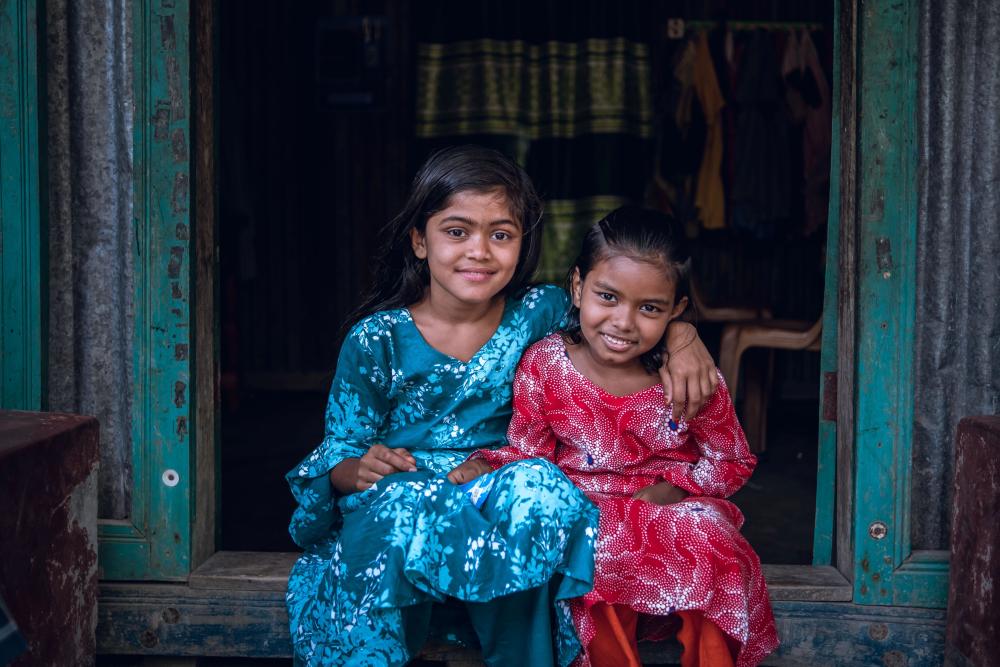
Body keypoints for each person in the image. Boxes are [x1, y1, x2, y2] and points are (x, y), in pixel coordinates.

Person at [285, 147, 719, 667]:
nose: (480, 252)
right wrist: (359, 470)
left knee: (539, 486)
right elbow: (340, 453)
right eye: (456, 231)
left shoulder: (543, 313)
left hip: (501, 499)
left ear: (522, 243)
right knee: (403, 504)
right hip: (407, 503)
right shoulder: (376, 340)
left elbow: (618, 313)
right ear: (419, 241)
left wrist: (682, 332)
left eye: (501, 234)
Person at [453, 206, 779, 667]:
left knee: (712, 539)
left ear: (677, 311)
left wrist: (674, 491)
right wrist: (486, 465)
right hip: (587, 509)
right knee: (595, 549)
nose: (624, 322)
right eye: (607, 297)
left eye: (650, 308)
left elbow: (731, 460)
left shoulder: (687, 377)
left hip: (672, 510)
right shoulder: (547, 366)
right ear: (578, 286)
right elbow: (530, 457)